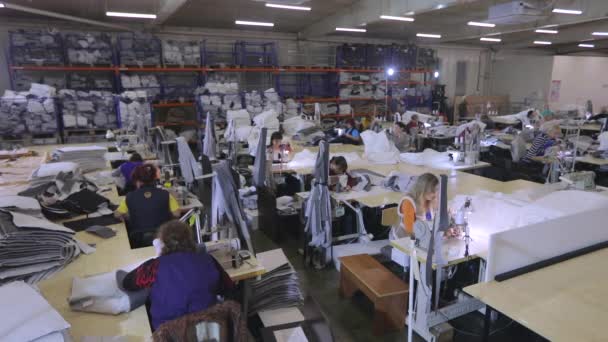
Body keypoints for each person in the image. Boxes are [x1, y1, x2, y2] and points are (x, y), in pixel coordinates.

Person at [122, 220, 234, 331]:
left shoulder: (154, 266)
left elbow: (127, 283)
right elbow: (228, 288)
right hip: (205, 330)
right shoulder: (208, 260)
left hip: (169, 333)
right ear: (191, 240)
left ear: (163, 243)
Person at [115, 164, 181, 248]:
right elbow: (177, 214)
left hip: (139, 240)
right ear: (154, 179)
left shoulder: (129, 196)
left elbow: (117, 214)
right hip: (163, 237)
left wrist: (127, 215)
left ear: (137, 181)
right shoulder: (166, 194)